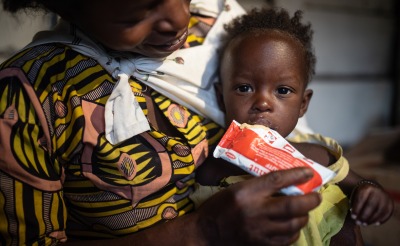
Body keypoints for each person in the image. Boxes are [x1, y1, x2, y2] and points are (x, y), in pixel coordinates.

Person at [0, 0, 325, 245]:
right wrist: (202, 230)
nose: (179, 19)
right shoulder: (27, 96)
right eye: (140, 13)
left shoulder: (218, 24)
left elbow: (292, 130)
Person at [194, 7, 393, 245]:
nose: (263, 103)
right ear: (220, 97)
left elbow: (362, 183)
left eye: (282, 91)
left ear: (302, 104)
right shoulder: (213, 167)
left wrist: (370, 194)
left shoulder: (315, 155)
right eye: (244, 88)